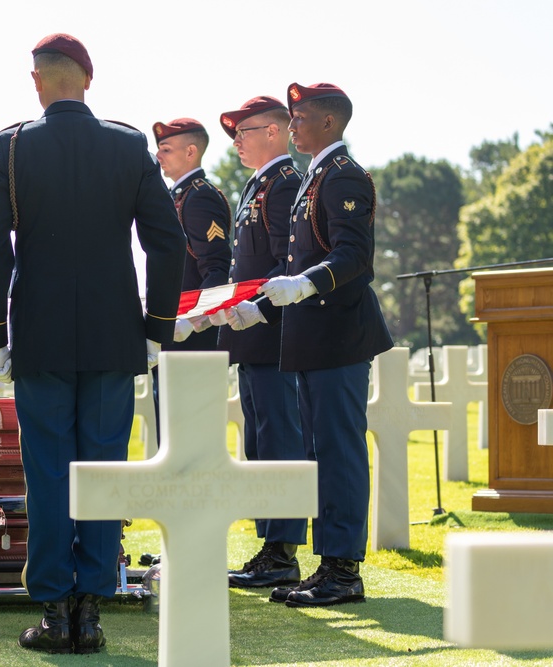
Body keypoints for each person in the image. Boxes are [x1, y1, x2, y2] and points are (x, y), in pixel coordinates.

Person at [0, 33, 186, 654]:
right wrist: (156, 331)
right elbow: (166, 243)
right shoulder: (126, 144)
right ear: (87, 80)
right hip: (114, 336)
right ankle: (91, 610)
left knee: (48, 471)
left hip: (38, 336)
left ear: (37, 81)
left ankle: (55, 610)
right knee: (102, 469)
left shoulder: (10, 148)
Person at [222, 82, 393, 607]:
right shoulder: (316, 176)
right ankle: (327, 565)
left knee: (338, 453)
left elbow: (353, 257)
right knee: (318, 453)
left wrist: (305, 284)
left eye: (300, 118)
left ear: (329, 123)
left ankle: (344, 572)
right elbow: (293, 264)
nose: (292, 126)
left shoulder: (344, 176)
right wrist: (264, 305)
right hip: (312, 338)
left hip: (338, 336)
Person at [215, 97, 308, 589]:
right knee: (259, 442)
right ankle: (270, 545)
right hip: (250, 339)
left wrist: (259, 309)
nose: (237, 141)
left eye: (244, 131)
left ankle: (283, 551)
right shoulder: (260, 184)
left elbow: (285, 266)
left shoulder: (286, 184)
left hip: (272, 336)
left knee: (279, 443)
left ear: (274, 132)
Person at [150, 117, 231, 444]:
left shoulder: (200, 198)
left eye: (167, 149)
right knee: (171, 437)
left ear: (191, 151)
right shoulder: (177, 196)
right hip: (172, 336)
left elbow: (216, 268)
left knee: (190, 440)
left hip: (191, 340)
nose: (159, 156)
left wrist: (193, 321)